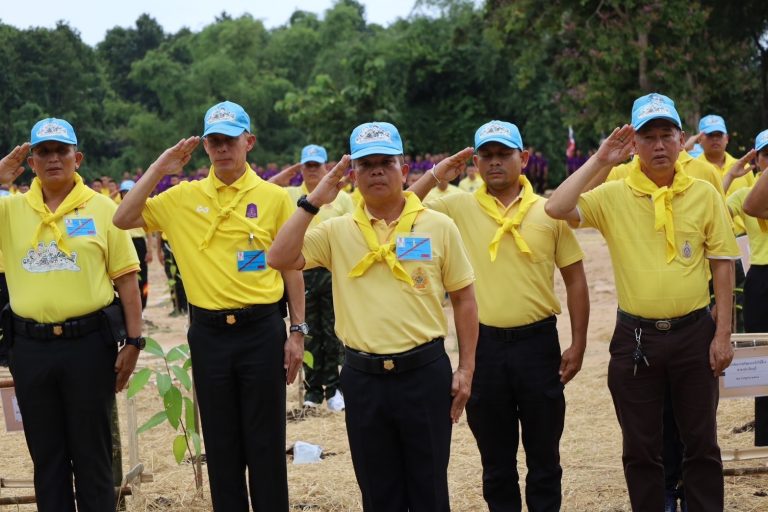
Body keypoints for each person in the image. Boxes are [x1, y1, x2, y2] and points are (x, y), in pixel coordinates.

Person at [268, 121, 478, 512]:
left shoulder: (437, 225)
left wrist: (466, 368)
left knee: (430, 491)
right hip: (363, 379)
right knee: (379, 494)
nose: (377, 171)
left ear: (405, 170)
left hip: (424, 373)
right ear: (353, 175)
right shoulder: (336, 231)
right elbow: (279, 257)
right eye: (366, 164)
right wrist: (314, 200)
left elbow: (465, 298)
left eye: (386, 162)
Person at [545, 93, 739, 512]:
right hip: (636, 338)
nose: (659, 145)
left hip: (694, 335)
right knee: (640, 448)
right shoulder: (614, 193)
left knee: (702, 443)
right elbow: (557, 207)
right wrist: (601, 160)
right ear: (633, 143)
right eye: (648, 137)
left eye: (666, 135)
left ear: (682, 139)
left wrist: (723, 334)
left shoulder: (704, 193)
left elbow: (723, 264)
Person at [114, 100, 305, 511]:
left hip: (262, 330)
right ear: (205, 146)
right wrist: (160, 168)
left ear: (248, 142)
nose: (222, 148)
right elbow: (124, 217)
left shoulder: (274, 198)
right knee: (220, 446)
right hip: (210, 335)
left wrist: (297, 331)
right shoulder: (183, 197)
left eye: (230, 140)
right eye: (214, 141)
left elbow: (291, 268)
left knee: (266, 444)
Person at [410, 120, 589, 511]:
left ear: (522, 158)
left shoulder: (548, 210)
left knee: (545, 458)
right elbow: (404, 204)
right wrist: (438, 173)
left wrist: (579, 342)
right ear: (475, 163)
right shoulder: (458, 207)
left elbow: (575, 279)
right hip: (485, 348)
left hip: (538, 345)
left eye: (504, 154)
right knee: (496, 463)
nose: (495, 162)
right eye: (486, 155)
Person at [0, 117, 143, 511]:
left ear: (77, 158)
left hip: (88, 346)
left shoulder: (103, 209)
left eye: (61, 151)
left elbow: (127, 280)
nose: (53, 159)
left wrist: (134, 341)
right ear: (30, 162)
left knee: (93, 456)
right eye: (43, 152)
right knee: (47, 459)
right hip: (30, 348)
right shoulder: (10, 210)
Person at [285, 144, 354, 411]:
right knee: (308, 330)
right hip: (302, 271)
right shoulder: (291, 194)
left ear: (326, 167)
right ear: (301, 168)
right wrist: (287, 173)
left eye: (317, 165)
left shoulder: (342, 198)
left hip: (332, 271)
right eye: (308, 166)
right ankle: (313, 389)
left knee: (333, 331)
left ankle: (335, 388)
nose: (312, 170)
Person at [737, 129, 768, 448]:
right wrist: (731, 175)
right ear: (756, 159)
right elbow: (713, 208)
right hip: (761, 277)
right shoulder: (745, 193)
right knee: (763, 359)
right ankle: (766, 434)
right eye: (767, 155)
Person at [119, 180, 152, 310]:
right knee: (127, 275)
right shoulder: (116, 208)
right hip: (125, 243)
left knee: (143, 276)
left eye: (129, 192)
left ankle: (143, 305)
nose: (127, 195)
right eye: (124, 192)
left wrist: (150, 250)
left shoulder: (142, 208)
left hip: (139, 243)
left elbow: (149, 232)